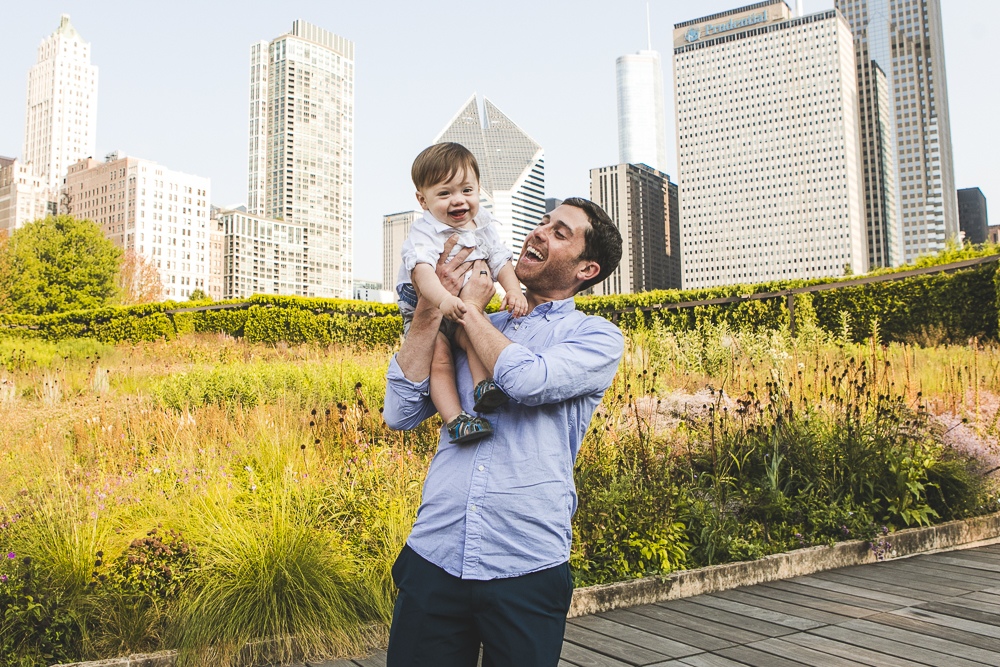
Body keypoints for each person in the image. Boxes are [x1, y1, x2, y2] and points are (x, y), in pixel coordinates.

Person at [383, 198, 624, 667]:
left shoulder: (595, 337)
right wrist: (433, 309)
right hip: (436, 555)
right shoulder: (471, 322)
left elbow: (527, 380)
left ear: (587, 268)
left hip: (525, 566)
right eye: (542, 223)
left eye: (560, 233)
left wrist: (468, 309)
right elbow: (399, 413)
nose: (538, 233)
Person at [396, 143, 529, 446]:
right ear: (423, 200)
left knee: (474, 337)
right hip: (427, 308)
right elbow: (422, 272)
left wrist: (512, 289)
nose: (458, 200)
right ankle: (456, 420)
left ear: (479, 190)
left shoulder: (484, 226)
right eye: (444, 194)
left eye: (467, 191)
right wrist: (442, 301)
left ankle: (484, 388)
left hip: (464, 307)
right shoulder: (425, 232)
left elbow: (500, 259)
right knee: (439, 359)